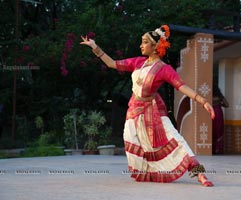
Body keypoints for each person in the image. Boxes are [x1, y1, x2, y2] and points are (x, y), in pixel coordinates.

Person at [80, 25, 215, 186]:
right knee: (131, 138)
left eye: (144, 42)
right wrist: (95, 47)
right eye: (141, 42)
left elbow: (181, 86)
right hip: (134, 110)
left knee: (176, 140)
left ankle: (199, 174)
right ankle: (152, 172)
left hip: (153, 111)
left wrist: (203, 101)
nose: (141, 45)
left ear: (155, 46)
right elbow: (112, 64)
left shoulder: (164, 69)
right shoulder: (138, 62)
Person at [212, 85, 229, 155]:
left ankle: (212, 149)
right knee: (219, 131)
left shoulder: (209, 95)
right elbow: (227, 104)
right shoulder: (220, 96)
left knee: (212, 130)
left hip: (211, 112)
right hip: (219, 112)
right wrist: (219, 104)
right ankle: (218, 149)